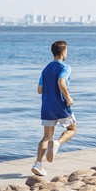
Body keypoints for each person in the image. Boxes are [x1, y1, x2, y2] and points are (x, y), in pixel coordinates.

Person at [31, 40, 77, 176]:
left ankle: (38, 164)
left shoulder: (45, 69)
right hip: (60, 105)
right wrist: (68, 97)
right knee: (72, 129)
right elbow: (61, 82)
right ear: (63, 52)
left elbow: (39, 90)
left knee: (46, 136)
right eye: (67, 51)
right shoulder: (65, 67)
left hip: (46, 106)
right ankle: (57, 143)